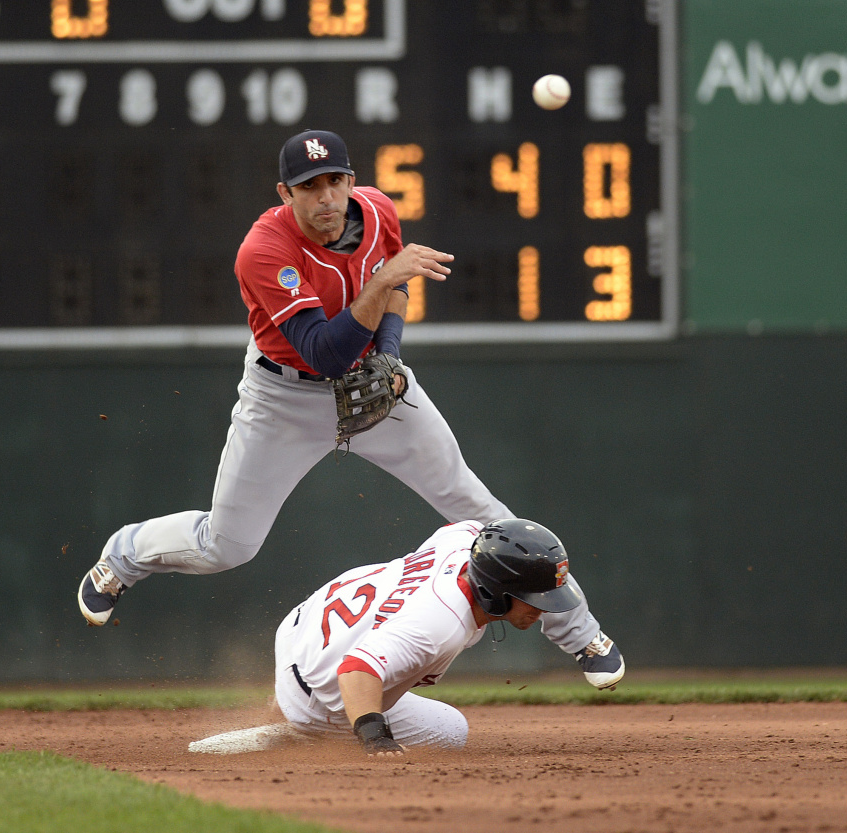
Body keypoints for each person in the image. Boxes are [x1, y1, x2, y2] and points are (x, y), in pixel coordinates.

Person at [77, 129, 623, 690]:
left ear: (351, 182)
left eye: (335, 181)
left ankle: (582, 635)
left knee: (483, 513)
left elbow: (394, 296)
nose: (326, 198)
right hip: (283, 397)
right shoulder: (264, 250)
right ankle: (124, 556)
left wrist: (388, 358)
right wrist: (386, 279)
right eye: (309, 187)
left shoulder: (380, 211)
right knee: (227, 545)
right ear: (285, 194)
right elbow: (324, 351)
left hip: (376, 381)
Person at [189, 518, 623, 756]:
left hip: (304, 628)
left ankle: (285, 703)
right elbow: (357, 669)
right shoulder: (442, 626)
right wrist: (376, 739)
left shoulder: (462, 544)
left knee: (372, 655)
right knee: (452, 731)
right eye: (534, 597)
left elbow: (470, 526)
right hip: (328, 689)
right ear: (495, 592)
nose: (543, 608)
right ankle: (297, 727)